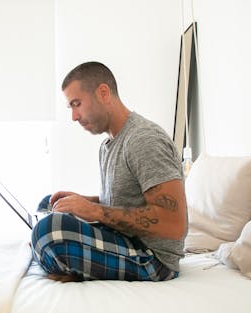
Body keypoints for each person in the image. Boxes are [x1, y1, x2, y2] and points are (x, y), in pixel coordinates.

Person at [31, 61, 187, 282]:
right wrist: (84, 202)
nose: (74, 116)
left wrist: (94, 211)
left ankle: (48, 254)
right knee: (48, 204)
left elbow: (175, 224)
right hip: (122, 238)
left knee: (49, 230)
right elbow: (125, 201)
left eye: (77, 104)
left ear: (103, 93)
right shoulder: (107, 146)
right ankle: (52, 255)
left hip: (152, 259)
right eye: (71, 107)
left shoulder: (144, 139)